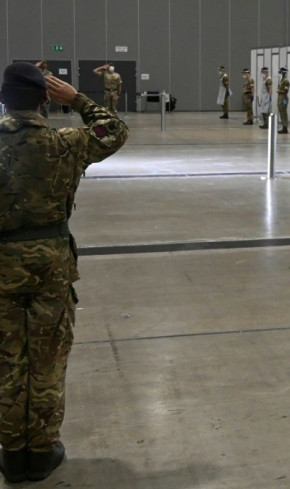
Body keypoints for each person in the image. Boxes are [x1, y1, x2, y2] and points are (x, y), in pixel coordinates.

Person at [0, 62, 128, 483]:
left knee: (6, 359)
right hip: (50, 266)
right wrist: (77, 99)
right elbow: (114, 131)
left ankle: (12, 452)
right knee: (47, 357)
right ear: (45, 98)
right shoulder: (66, 142)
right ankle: (42, 449)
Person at [276, 67, 290, 133]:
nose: (279, 73)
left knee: (284, 113)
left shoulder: (286, 81)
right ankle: (284, 127)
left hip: (283, 98)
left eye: (280, 72)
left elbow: (286, 90)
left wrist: (279, 91)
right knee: (281, 113)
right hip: (280, 98)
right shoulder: (282, 80)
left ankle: (285, 127)